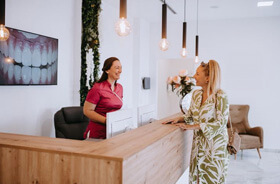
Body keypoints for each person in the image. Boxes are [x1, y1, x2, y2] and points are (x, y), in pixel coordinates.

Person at [163, 60, 229, 184]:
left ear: (208, 78)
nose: (194, 76)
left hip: (214, 149)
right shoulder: (196, 94)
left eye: (198, 74)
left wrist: (194, 126)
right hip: (198, 146)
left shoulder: (220, 96)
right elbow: (191, 115)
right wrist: (180, 119)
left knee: (211, 180)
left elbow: (221, 123)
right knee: (197, 178)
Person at [83, 57, 123, 141]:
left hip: (113, 131)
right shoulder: (98, 88)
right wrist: (107, 121)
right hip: (98, 133)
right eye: (117, 68)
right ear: (107, 70)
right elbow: (87, 111)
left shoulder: (119, 88)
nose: (120, 71)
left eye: (120, 67)